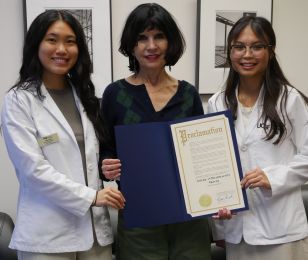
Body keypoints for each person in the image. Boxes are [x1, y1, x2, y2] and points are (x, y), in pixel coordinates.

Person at [0, 10, 125, 260]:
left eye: (70, 41)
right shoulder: (18, 100)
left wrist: (107, 167)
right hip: (48, 235)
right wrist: (91, 196)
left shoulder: (86, 95)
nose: (62, 49)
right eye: (52, 39)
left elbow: (88, 157)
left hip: (94, 235)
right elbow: (32, 169)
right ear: (36, 44)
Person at [100, 3, 211, 260]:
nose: (151, 46)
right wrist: (106, 166)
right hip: (140, 217)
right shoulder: (115, 94)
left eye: (159, 36)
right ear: (131, 45)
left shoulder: (188, 94)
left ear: (170, 42)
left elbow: (201, 157)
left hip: (189, 219)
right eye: (142, 38)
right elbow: (105, 150)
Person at [208, 15, 308, 260]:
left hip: (281, 228)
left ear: (270, 52)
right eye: (239, 47)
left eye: (257, 46)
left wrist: (271, 177)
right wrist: (218, 223)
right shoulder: (217, 102)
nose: (247, 54)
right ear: (230, 52)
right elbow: (214, 165)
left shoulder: (290, 99)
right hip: (236, 229)